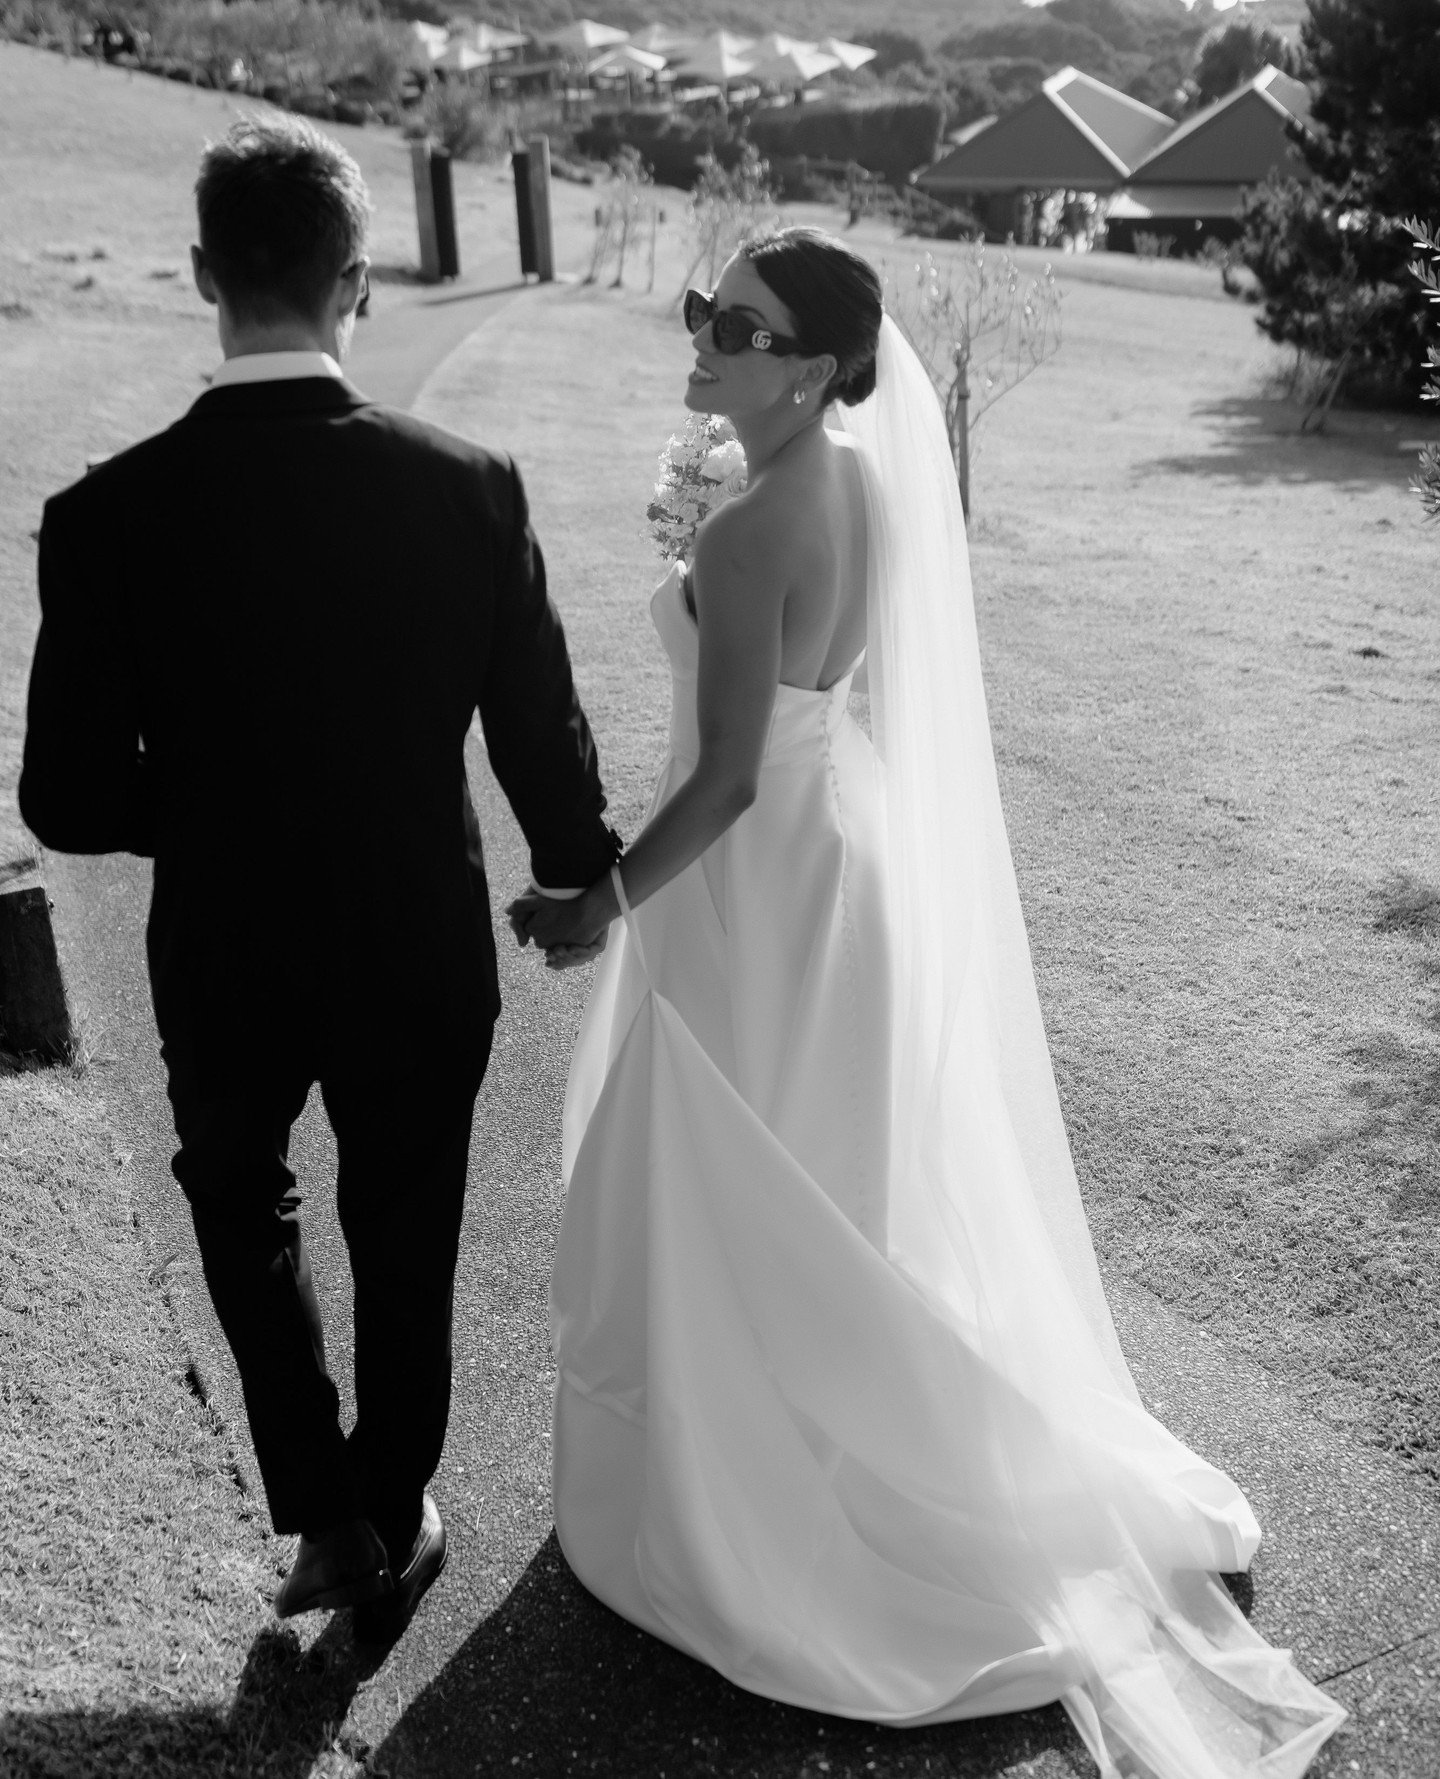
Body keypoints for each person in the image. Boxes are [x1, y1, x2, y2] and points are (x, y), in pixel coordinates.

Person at [508, 228, 1345, 1777]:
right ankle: (804, 1434)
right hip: (839, 870)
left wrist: (597, 902)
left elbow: (735, 773)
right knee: (811, 1181)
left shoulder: (757, 530)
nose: (701, 335)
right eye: (702, 307)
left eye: (736, 325)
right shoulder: (862, 480)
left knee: (748, 1181)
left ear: (815, 366)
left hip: (761, 886)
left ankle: (766, 1492)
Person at [19, 115, 620, 1641]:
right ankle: (391, 1496)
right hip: (418, 935)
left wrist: (223, 808)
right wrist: (573, 877)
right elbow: (539, 729)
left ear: (205, 274)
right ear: (357, 283)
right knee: (406, 1225)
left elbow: (69, 799)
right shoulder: (471, 487)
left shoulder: (106, 517)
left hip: (222, 946)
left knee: (238, 1196)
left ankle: (330, 1514)